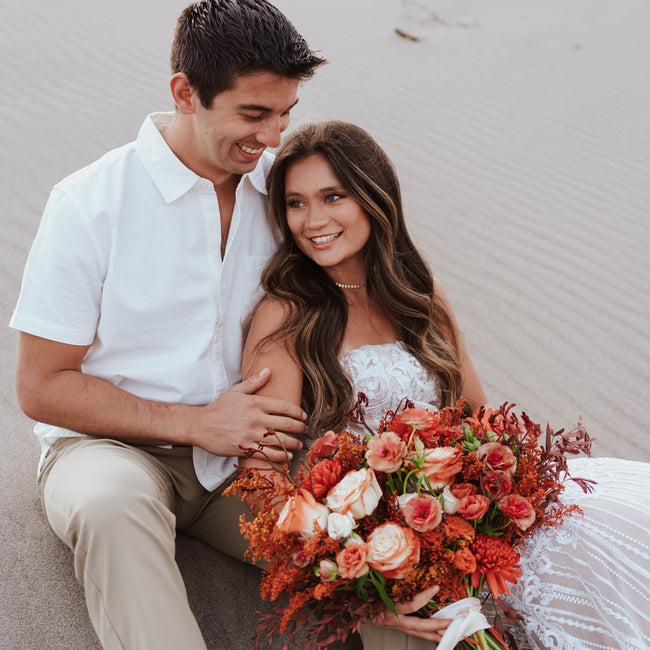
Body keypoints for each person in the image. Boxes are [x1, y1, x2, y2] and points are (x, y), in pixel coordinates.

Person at [241, 120, 650, 649]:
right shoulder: (288, 314)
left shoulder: (417, 292)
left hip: (472, 514)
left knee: (607, 534)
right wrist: (360, 580)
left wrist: (503, 492)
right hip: (389, 541)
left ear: (373, 198)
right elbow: (260, 479)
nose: (313, 220)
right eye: (295, 203)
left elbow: (479, 416)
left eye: (332, 196)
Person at [9, 1, 326, 648]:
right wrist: (196, 424)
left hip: (247, 464)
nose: (273, 136)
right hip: (107, 452)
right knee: (108, 506)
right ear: (185, 93)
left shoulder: (285, 195)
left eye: (286, 111)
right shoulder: (88, 205)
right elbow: (42, 387)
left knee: (368, 556)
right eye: (253, 114)